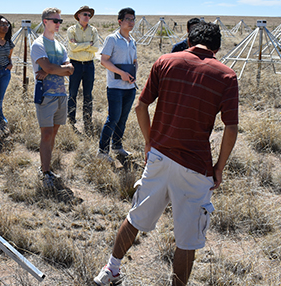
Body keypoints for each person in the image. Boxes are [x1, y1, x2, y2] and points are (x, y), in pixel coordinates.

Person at [94, 21, 239, 286]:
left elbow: (141, 107)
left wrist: (150, 144)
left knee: (136, 217)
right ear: (217, 47)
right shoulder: (226, 76)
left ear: (189, 39)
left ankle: (110, 269)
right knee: (187, 239)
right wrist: (219, 167)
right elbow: (231, 128)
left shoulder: (165, 62)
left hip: (159, 157)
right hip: (195, 166)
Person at [31, 7, 74, 189]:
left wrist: (53, 69)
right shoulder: (38, 44)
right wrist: (58, 69)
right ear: (45, 22)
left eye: (60, 21)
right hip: (46, 95)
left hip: (61, 95)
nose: (58, 24)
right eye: (55, 20)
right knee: (47, 134)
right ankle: (45, 172)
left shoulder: (60, 45)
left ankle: (46, 167)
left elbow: (70, 70)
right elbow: (48, 67)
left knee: (53, 134)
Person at [97, 8, 138, 163]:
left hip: (129, 87)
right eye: (128, 19)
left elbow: (134, 61)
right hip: (115, 87)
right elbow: (104, 60)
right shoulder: (112, 39)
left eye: (133, 19)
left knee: (123, 119)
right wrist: (121, 73)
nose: (131, 22)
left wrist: (133, 75)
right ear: (120, 21)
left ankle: (117, 146)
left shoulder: (133, 41)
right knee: (113, 118)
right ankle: (102, 151)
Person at [67, 6, 100, 134]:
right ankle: (71, 121)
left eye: (89, 15)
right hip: (75, 64)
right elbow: (72, 47)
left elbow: (96, 48)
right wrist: (88, 44)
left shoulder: (94, 30)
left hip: (89, 65)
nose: (87, 17)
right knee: (72, 93)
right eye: (85, 14)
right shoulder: (71, 30)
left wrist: (81, 45)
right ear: (78, 15)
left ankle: (87, 120)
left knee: (88, 94)